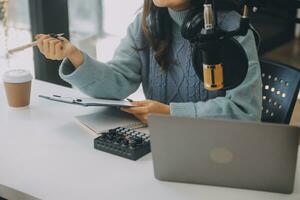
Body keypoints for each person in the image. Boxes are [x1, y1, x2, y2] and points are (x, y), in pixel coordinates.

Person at [35, 0, 262, 124]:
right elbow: (118, 82)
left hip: (215, 153)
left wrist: (172, 113)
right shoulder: (145, 24)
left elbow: (245, 111)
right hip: (161, 147)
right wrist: (74, 55)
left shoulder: (234, 31)